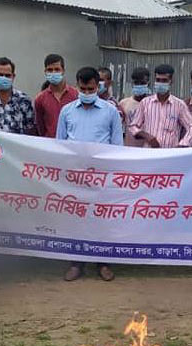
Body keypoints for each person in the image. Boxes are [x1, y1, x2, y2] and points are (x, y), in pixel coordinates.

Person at [56, 67, 123, 282]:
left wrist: (112, 173)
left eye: (91, 88)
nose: (87, 92)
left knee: (101, 219)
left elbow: (117, 146)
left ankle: (103, 263)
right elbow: (60, 144)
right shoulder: (66, 111)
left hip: (101, 175)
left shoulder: (110, 111)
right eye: (83, 88)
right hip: (75, 175)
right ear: (77, 85)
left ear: (99, 86)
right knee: (75, 218)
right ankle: (76, 264)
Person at [128, 64, 192, 148]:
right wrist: (148, 136)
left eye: (164, 80)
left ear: (171, 81)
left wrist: (182, 145)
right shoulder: (145, 103)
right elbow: (133, 126)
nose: (160, 83)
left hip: (170, 154)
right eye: (158, 80)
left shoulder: (179, 105)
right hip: (148, 153)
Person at [0, 57, 36, 135]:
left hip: (15, 146)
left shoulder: (24, 100)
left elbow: (30, 130)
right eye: (0, 75)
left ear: (13, 76)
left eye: (7, 75)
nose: (3, 78)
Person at [34, 53, 78, 138]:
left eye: (57, 69)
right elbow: (40, 128)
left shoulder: (76, 95)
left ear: (63, 71)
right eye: (50, 70)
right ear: (45, 72)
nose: (53, 73)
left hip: (71, 145)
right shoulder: (40, 99)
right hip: (50, 145)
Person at [118, 66, 150, 147]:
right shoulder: (124, 103)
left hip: (148, 149)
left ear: (148, 83)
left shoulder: (153, 104)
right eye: (136, 83)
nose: (139, 85)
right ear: (132, 84)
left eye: (142, 83)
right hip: (130, 149)